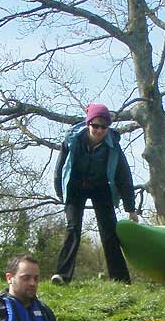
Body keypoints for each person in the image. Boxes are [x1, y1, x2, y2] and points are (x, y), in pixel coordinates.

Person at [52, 103, 138, 285]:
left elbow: (124, 177)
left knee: (109, 231)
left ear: (108, 128)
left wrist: (131, 208)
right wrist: (61, 193)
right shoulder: (72, 140)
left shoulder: (112, 145)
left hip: (100, 187)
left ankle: (121, 279)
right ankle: (62, 275)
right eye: (95, 126)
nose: (99, 130)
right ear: (88, 123)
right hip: (75, 186)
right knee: (73, 227)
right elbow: (59, 168)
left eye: (103, 127)